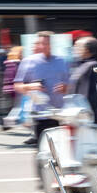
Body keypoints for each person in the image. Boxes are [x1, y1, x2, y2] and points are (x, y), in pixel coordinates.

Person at [14, 30, 70, 163]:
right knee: (44, 154)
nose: (44, 46)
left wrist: (64, 88)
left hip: (60, 114)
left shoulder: (61, 61)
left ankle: (59, 179)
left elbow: (69, 86)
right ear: (37, 44)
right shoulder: (29, 61)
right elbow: (17, 86)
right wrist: (31, 87)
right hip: (40, 115)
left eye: (47, 43)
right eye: (41, 43)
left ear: (51, 44)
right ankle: (42, 180)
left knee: (61, 153)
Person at [66, 36, 97, 120]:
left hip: (87, 117)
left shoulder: (92, 66)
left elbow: (86, 94)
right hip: (82, 115)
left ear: (86, 50)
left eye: (77, 46)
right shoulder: (83, 66)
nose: (74, 49)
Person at [0, 45, 24, 128]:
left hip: (8, 88)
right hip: (15, 88)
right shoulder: (17, 64)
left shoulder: (8, 63)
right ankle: (8, 121)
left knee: (16, 106)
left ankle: (7, 121)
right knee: (18, 106)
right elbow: (18, 76)